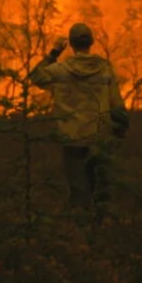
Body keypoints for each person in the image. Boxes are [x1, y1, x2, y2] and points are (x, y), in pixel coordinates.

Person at [30, 23, 128, 220]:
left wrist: (54, 52)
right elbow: (116, 102)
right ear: (91, 43)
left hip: (72, 137)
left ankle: (79, 233)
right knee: (100, 187)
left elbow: (36, 76)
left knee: (78, 189)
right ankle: (101, 231)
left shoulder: (60, 70)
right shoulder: (104, 69)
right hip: (100, 136)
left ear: (71, 44)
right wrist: (120, 128)